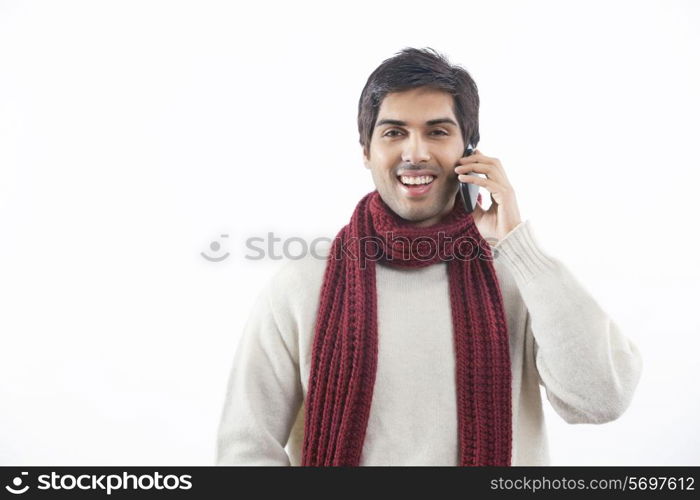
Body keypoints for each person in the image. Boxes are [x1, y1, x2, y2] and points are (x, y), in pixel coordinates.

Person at [215, 47, 643, 466]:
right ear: (366, 151)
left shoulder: (521, 276)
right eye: (393, 132)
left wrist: (516, 242)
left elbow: (601, 400)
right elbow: (246, 450)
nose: (415, 152)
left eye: (437, 131)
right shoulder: (303, 282)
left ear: (470, 151)